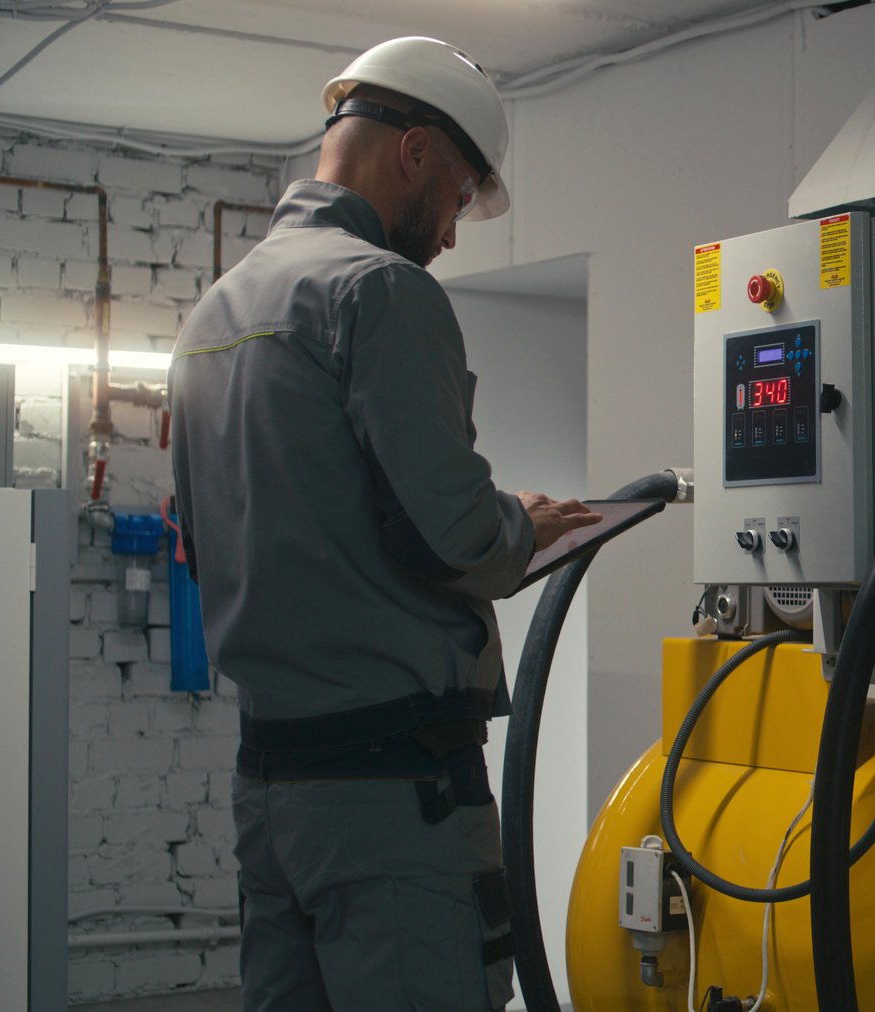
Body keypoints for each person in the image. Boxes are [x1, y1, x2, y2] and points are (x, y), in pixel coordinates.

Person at [168, 36, 599, 1011]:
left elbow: (203, 542)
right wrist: (526, 524)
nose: (450, 235)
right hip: (392, 801)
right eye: (454, 197)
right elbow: (449, 531)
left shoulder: (213, 317)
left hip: (271, 789)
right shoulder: (379, 292)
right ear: (412, 152)